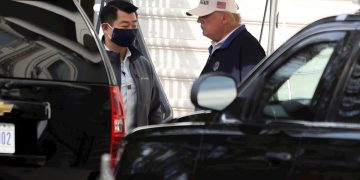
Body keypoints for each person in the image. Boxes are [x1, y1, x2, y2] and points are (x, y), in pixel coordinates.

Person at [100, 1, 162, 132]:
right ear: (106, 28)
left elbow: (154, 109)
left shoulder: (143, 64)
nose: (131, 31)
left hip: (134, 148)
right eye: (125, 26)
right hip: (103, 147)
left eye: (134, 25)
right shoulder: (92, 63)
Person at [187, 0, 266, 84]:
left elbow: (252, 93)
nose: (198, 20)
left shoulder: (248, 49)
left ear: (224, 18)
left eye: (205, 15)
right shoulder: (222, 47)